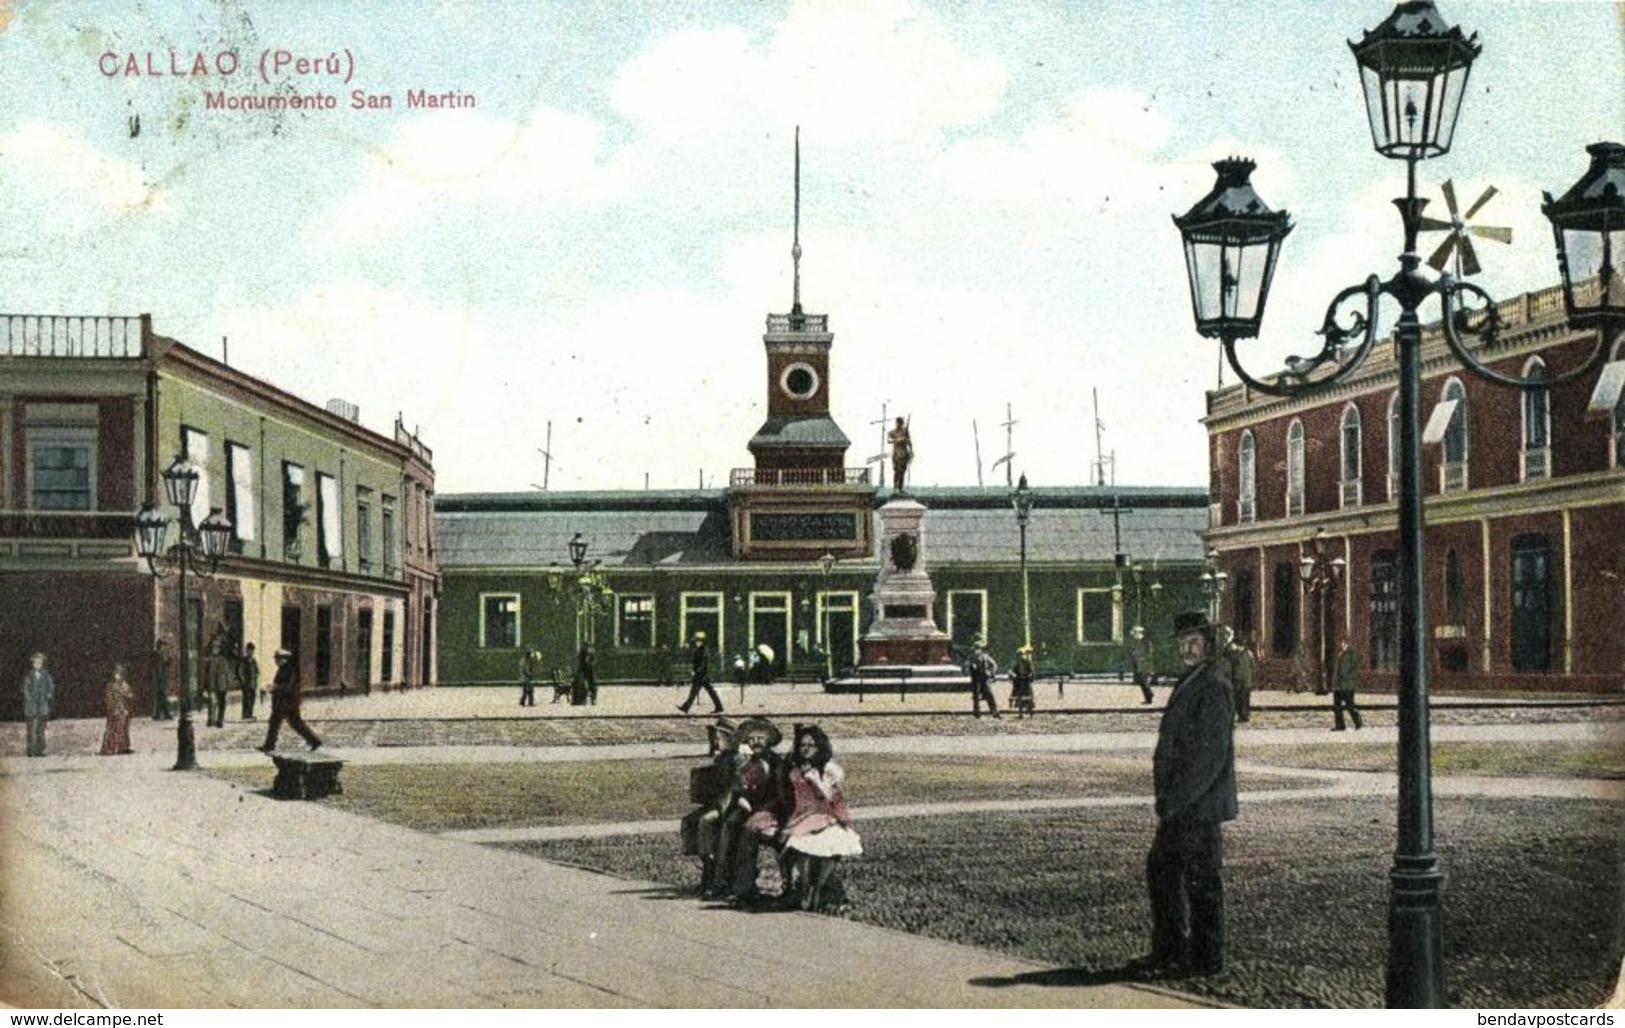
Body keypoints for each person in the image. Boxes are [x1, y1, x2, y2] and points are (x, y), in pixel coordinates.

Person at [1132, 610, 1237, 979]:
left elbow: (1210, 755)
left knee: (1201, 881)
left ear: (1208, 646)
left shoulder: (1213, 685)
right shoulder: (1193, 680)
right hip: (1181, 805)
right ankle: (1171, 950)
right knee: (1163, 871)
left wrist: (1177, 800)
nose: (1187, 649)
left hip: (1197, 806)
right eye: (1182, 644)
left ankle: (1205, 959)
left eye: (1193, 643)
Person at [778, 724, 862, 912]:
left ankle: (818, 892)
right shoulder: (795, 771)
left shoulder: (830, 770)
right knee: (793, 848)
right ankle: (802, 889)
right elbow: (799, 801)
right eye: (802, 745)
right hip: (803, 816)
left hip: (827, 814)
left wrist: (814, 780)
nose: (806, 749)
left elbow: (830, 798)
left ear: (820, 747)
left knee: (827, 847)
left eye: (811, 745)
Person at [714, 717, 785, 904]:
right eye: (751, 739)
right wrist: (743, 799)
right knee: (729, 823)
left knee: (748, 830)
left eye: (760, 737)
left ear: (769, 739)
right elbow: (743, 788)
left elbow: (781, 796)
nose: (756, 742)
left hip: (774, 812)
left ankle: (742, 889)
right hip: (752, 810)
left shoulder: (777, 764)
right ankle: (722, 880)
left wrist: (760, 809)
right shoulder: (750, 763)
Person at [258, 649, 323, 753]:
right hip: (285, 702)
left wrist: (273, 688)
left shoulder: (289, 670)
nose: (276, 661)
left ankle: (269, 746)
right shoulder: (283, 669)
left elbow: (287, 687)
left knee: (283, 723)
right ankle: (314, 741)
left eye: (278, 659)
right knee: (289, 723)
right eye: (276, 659)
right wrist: (273, 688)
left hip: (288, 703)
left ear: (285, 659)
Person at [678, 631, 724, 715]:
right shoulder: (700, 650)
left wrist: (696, 672)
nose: (696, 643)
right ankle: (719, 706)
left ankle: (686, 707)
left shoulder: (703, 650)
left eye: (697, 641)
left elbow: (702, 663)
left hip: (701, 675)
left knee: (696, 691)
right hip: (702, 675)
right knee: (705, 691)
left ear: (701, 641)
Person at [22, 652, 55, 758]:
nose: (38, 663)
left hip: (42, 706)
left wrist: (48, 695)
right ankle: (31, 750)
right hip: (31, 706)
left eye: (40, 662)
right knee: (31, 729)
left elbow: (51, 687)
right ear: (33, 663)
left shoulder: (46, 675)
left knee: (41, 729)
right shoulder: (29, 675)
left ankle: (40, 750)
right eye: (36, 661)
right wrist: (29, 698)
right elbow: (25, 689)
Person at [1220, 628, 1256, 724]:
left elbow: (1225, 654)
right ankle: (1245, 715)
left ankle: (1239, 715)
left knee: (1237, 698)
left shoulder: (1233, 653)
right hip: (1247, 679)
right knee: (1245, 698)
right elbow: (1253, 666)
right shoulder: (1249, 653)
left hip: (1237, 678)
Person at [99, 662, 135, 756]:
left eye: (120, 673)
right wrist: (112, 707)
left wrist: (127, 699)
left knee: (124, 728)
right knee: (112, 729)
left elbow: (130, 694)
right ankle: (109, 748)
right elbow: (109, 698)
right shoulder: (111, 686)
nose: (118, 675)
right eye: (116, 672)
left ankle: (123, 746)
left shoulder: (124, 685)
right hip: (115, 709)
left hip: (124, 709)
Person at [204, 624, 236, 728]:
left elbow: (227, 672)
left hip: (222, 683)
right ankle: (211, 719)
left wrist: (228, 682)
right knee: (212, 701)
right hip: (213, 683)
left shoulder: (223, 659)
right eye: (214, 648)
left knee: (221, 702)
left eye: (217, 648)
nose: (215, 649)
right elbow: (207, 672)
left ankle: (219, 720)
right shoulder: (211, 659)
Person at [1331, 637, 1364, 731]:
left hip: (1347, 685)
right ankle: (1340, 725)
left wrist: (1346, 676)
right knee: (1337, 706)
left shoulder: (1351, 653)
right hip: (1338, 685)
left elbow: (1351, 668)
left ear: (1345, 642)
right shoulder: (1339, 654)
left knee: (1350, 705)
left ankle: (1358, 722)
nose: (1339, 644)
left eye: (1340, 642)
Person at [966, 640, 1000, 718]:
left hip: (984, 678)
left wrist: (991, 673)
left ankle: (994, 711)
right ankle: (977, 712)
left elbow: (994, 665)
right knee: (976, 696)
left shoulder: (985, 657)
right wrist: (971, 667)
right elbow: (966, 666)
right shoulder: (971, 658)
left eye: (977, 648)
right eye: (975, 649)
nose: (976, 650)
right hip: (976, 679)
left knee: (989, 695)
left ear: (981, 649)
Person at [1130, 625, 1157, 705]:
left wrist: (1143, 658)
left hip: (1146, 664)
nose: (1134, 636)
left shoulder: (1146, 641)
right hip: (1139, 664)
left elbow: (1150, 652)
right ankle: (1149, 695)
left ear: (1139, 633)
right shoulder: (1138, 642)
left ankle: (1149, 696)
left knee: (1144, 681)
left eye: (1135, 634)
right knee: (1142, 682)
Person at [1009, 644, 1036, 717]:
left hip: (1026, 681)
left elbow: (1032, 671)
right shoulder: (1017, 663)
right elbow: (1012, 670)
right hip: (1020, 681)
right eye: (1019, 655)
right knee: (1019, 698)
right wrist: (1013, 674)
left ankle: (1031, 712)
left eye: (1022, 654)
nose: (1021, 656)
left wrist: (1030, 675)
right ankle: (1020, 713)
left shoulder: (1028, 662)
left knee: (1029, 698)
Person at [889, 416, 913, 492]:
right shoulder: (892, 432)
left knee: (902, 471)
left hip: (904, 453)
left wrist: (911, 451)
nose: (900, 425)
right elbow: (889, 440)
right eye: (899, 423)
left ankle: (900, 487)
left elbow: (909, 442)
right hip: (896, 453)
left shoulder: (905, 431)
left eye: (902, 423)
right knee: (896, 471)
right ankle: (895, 487)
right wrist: (898, 440)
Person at [151, 641, 173, 721]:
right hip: (159, 679)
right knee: (161, 696)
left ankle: (160, 714)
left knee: (161, 697)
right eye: (164, 647)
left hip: (161, 678)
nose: (165, 649)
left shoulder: (161, 655)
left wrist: (168, 660)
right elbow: (159, 669)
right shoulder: (158, 656)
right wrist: (160, 679)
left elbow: (165, 665)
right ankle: (163, 714)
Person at [239, 643, 260, 720]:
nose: (251, 652)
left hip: (253, 683)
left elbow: (257, 670)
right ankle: (245, 714)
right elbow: (240, 671)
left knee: (252, 699)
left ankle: (250, 714)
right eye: (249, 650)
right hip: (246, 683)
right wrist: (243, 681)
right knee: (246, 699)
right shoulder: (243, 660)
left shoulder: (254, 660)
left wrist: (256, 675)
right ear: (246, 651)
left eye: (252, 651)